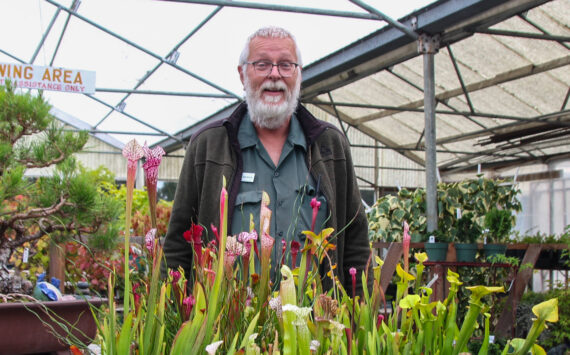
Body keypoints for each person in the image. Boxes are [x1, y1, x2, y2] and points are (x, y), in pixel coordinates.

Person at [163, 26, 371, 294]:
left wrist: (359, 318)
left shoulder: (329, 145)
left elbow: (355, 240)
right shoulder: (208, 145)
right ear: (242, 74)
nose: (275, 75)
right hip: (229, 327)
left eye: (286, 65)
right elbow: (179, 243)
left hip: (317, 327)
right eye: (262, 65)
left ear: (298, 74)